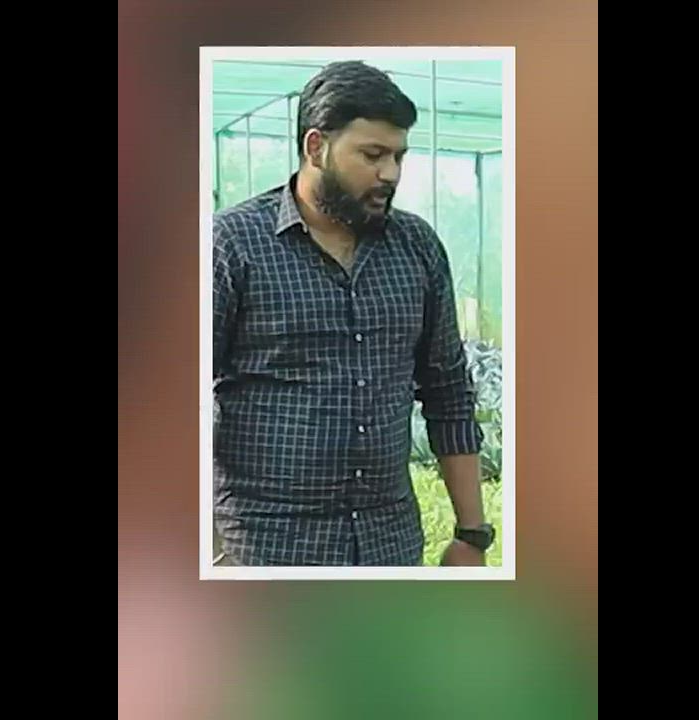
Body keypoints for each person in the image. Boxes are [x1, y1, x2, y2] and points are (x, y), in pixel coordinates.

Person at [212, 60, 494, 566]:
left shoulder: (417, 248)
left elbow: (448, 391)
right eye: (372, 155)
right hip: (265, 548)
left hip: (389, 549)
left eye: (399, 156)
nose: (390, 173)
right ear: (315, 147)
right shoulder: (232, 245)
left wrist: (471, 534)